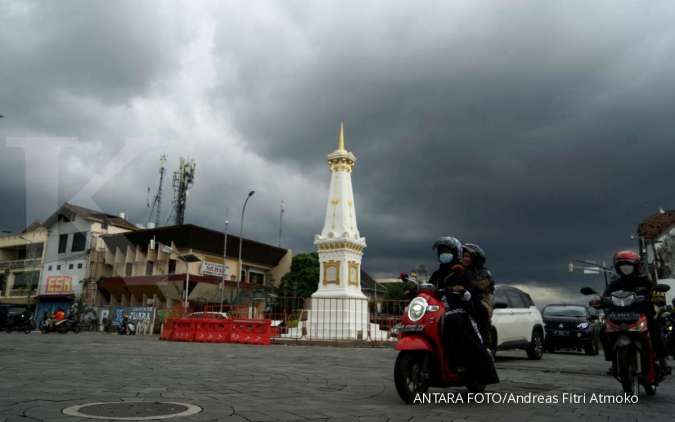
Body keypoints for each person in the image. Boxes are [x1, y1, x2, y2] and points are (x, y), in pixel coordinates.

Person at [429, 236, 499, 385]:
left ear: (455, 254)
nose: (444, 254)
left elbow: (472, 295)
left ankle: (466, 365)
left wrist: (464, 293)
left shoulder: (462, 272)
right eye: (442, 251)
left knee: (456, 321)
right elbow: (429, 289)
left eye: (448, 251)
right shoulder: (436, 274)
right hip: (438, 311)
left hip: (461, 309)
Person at [599, 250, 668, 375]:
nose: (625, 269)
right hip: (618, 316)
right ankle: (614, 361)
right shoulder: (615, 283)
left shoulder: (644, 281)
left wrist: (658, 297)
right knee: (603, 330)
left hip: (642, 315)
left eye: (628, 266)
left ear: (635, 266)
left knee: (655, 327)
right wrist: (599, 301)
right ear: (618, 268)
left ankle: (662, 360)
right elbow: (605, 296)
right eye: (622, 266)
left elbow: (656, 293)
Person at [462, 243, 495, 350]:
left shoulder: (484, 273)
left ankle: (485, 349)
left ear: (475, 258)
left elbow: (477, 286)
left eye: (467, 256)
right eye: (463, 256)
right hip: (464, 302)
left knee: (482, 319)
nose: (464, 259)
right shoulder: (459, 270)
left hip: (481, 303)